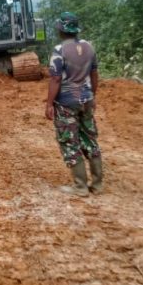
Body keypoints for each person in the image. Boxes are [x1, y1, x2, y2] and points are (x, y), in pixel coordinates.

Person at [44, 12, 103, 197]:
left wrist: (49, 104)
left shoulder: (59, 50)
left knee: (70, 141)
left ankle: (80, 187)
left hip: (66, 103)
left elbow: (55, 79)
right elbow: (94, 74)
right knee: (90, 139)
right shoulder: (89, 47)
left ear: (61, 29)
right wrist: (92, 95)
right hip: (86, 100)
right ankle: (98, 185)